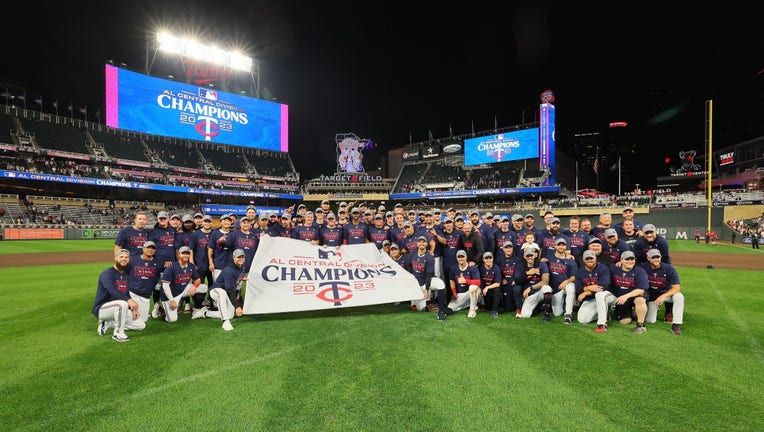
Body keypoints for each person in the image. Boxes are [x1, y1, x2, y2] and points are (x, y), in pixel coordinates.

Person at [93, 249, 145, 342]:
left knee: (140, 325)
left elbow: (126, 293)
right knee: (122, 304)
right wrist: (129, 301)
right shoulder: (107, 273)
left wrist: (134, 309)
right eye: (121, 257)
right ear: (115, 259)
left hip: (117, 308)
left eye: (126, 257)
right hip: (102, 308)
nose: (124, 259)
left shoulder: (125, 275)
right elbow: (112, 290)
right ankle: (118, 333)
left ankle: (109, 323)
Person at [193, 248, 247, 331]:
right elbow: (230, 290)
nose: (241, 259)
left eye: (242, 257)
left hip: (226, 291)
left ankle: (205, 313)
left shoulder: (241, 266)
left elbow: (236, 276)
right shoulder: (229, 270)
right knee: (222, 294)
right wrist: (237, 307)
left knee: (230, 314)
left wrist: (241, 278)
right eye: (238, 257)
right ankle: (225, 322)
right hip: (216, 290)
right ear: (234, 258)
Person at [640, 248, 685, 335]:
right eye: (653, 257)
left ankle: (676, 325)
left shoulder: (669, 269)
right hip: (653, 297)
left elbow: (677, 287)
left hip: (666, 295)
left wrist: (663, 296)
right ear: (648, 258)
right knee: (650, 320)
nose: (656, 259)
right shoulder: (642, 267)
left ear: (660, 258)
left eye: (658, 257)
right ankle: (655, 310)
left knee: (679, 296)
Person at [159, 246, 208, 323]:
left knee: (203, 287)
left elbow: (198, 280)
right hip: (170, 294)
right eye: (183, 253)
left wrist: (194, 287)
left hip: (183, 289)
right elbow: (165, 286)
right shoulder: (171, 267)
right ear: (179, 255)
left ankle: (197, 308)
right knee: (172, 320)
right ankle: (163, 310)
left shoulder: (190, 266)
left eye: (187, 253)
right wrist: (172, 300)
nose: (185, 255)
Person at [609, 250, 649, 333]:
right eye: (627, 259)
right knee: (624, 321)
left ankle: (640, 325)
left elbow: (641, 289)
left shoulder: (640, 271)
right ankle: (633, 313)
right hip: (622, 299)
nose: (630, 261)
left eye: (632, 259)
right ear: (621, 260)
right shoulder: (613, 268)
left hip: (634, 296)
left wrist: (626, 296)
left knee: (640, 299)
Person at [575, 249, 612, 331]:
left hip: (608, 295)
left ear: (595, 259)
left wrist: (586, 292)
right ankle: (605, 314)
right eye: (587, 258)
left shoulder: (603, 268)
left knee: (599, 294)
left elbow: (603, 287)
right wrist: (589, 288)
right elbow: (578, 289)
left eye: (591, 258)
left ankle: (602, 324)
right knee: (582, 320)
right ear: (583, 260)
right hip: (591, 298)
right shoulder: (579, 272)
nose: (589, 260)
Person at [514, 244, 552, 320]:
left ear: (535, 255)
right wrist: (528, 273)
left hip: (539, 291)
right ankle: (538, 308)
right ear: (524, 257)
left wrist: (531, 288)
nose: (530, 257)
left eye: (531, 255)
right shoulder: (521, 265)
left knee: (547, 288)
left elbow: (546, 281)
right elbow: (516, 281)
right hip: (529, 295)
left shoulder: (542, 264)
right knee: (525, 315)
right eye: (527, 256)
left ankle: (546, 314)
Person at [127, 240, 161, 324]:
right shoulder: (133, 259)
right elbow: (123, 273)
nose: (150, 250)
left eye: (153, 248)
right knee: (129, 317)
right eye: (148, 247)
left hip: (146, 295)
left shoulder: (158, 263)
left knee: (143, 320)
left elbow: (162, 275)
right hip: (132, 293)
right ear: (143, 248)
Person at [546, 238, 577, 324]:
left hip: (566, 285)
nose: (561, 246)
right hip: (555, 289)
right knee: (557, 313)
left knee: (571, 287)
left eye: (563, 245)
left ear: (566, 246)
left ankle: (568, 315)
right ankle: (565, 304)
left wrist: (566, 281)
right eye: (559, 244)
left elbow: (574, 276)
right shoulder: (549, 257)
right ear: (555, 246)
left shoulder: (570, 261)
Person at [446, 250, 482, 318]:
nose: (460, 258)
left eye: (462, 257)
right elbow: (452, 280)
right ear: (456, 258)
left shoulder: (472, 267)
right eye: (459, 257)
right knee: (450, 307)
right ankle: (468, 305)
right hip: (461, 294)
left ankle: (472, 310)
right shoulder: (454, 268)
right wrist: (454, 292)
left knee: (473, 287)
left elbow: (478, 282)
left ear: (466, 257)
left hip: (473, 292)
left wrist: (465, 281)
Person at [478, 251, 503, 318]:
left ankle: (495, 310)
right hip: (484, 292)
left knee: (497, 289)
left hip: (492, 290)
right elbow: (478, 280)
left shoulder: (496, 268)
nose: (488, 260)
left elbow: (498, 284)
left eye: (490, 258)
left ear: (493, 259)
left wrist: (487, 287)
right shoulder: (480, 267)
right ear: (483, 260)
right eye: (486, 258)